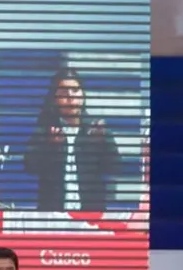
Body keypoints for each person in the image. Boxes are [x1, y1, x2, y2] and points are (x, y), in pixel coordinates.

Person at [22, 66, 122, 211]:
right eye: (63, 92)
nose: (70, 96)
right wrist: (50, 146)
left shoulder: (95, 130)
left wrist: (104, 143)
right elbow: (29, 167)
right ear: (54, 99)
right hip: (53, 217)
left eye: (75, 90)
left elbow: (115, 168)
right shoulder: (46, 130)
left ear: (82, 95)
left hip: (90, 218)